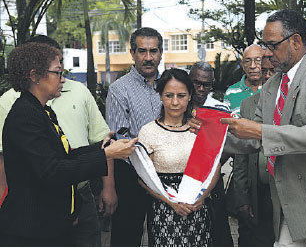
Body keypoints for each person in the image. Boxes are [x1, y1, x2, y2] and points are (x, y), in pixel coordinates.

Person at [190, 9, 306, 246]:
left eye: (272, 45)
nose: (266, 53)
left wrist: (259, 131)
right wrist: (208, 132)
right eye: (264, 45)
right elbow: (251, 140)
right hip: (290, 209)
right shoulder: (273, 85)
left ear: (295, 41)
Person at [0, 42, 136, 246]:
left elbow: (62, 156)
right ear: (34, 75)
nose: (63, 79)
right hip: (32, 230)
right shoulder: (25, 116)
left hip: (51, 222)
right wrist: (106, 156)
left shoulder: (42, 111)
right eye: (57, 73)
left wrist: (102, 148)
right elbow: (52, 171)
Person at [138, 68, 220, 246]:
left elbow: (215, 166)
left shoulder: (200, 129)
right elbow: (143, 178)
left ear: (190, 95)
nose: (175, 102)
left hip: (197, 209)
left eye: (181, 95)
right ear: (160, 96)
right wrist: (171, 202)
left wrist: (203, 197)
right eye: (169, 95)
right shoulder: (149, 132)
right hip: (164, 211)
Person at [106, 27, 163, 246]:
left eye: (153, 51)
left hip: (166, 174)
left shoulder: (170, 85)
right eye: (142, 51)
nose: (148, 57)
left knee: (165, 236)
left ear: (160, 53)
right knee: (127, 237)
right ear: (132, 53)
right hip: (131, 174)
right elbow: (119, 140)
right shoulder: (119, 90)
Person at [189, 61, 233, 246]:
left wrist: (213, 165)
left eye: (205, 85)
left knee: (218, 234)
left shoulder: (221, 109)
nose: (200, 88)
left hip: (212, 180)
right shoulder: (179, 105)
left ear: (211, 85)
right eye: (196, 83)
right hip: (184, 178)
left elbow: (228, 146)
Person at [233, 58, 275, 247]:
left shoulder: (292, 102)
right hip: (258, 192)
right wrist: (242, 198)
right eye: (264, 71)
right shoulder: (248, 105)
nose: (267, 76)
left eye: (272, 71)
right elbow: (241, 156)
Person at [224, 44, 264, 117]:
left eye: (258, 60)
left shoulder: (273, 89)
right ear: (242, 65)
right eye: (247, 61)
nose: (252, 66)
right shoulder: (231, 92)